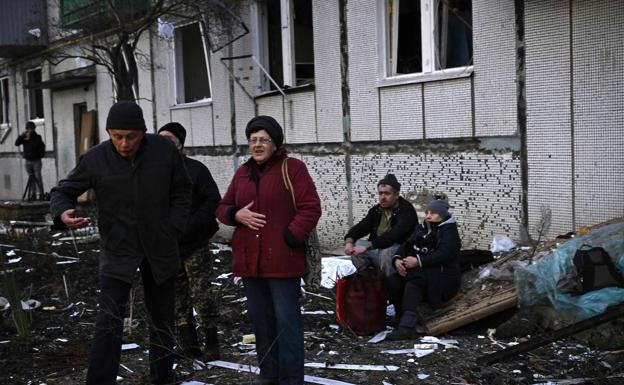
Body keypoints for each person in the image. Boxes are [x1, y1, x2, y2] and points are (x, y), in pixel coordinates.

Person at [50, 102, 191, 384]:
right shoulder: (95, 158)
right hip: (118, 249)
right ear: (108, 133)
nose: (124, 143)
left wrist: (173, 227)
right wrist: (61, 211)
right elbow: (63, 190)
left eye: (130, 136)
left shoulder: (164, 152)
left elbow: (183, 192)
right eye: (116, 136)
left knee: (162, 319)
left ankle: (162, 378)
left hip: (160, 249)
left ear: (143, 132)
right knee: (108, 321)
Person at [216, 115, 321, 385]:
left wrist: (289, 236)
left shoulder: (292, 168)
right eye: (253, 140)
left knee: (287, 325)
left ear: (275, 144)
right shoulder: (243, 172)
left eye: (263, 140)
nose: (257, 145)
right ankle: (268, 375)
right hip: (250, 262)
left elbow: (310, 208)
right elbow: (222, 207)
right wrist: (236, 214)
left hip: (282, 261)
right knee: (261, 325)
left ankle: (291, 379)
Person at [157, 122, 222, 361]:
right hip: (169, 247)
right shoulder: (153, 172)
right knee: (177, 297)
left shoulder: (196, 170)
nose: (164, 144)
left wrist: (191, 225)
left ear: (180, 144)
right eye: (160, 138)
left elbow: (212, 200)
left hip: (194, 244)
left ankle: (212, 344)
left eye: (170, 140)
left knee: (201, 293)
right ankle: (189, 344)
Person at [385, 199, 461, 341]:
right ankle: (401, 317)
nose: (428, 216)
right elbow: (406, 245)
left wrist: (418, 261)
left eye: (433, 213)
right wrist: (397, 259)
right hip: (424, 274)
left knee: (415, 280)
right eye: (427, 212)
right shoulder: (421, 229)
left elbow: (445, 253)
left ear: (442, 215)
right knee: (394, 280)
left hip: (443, 280)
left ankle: (407, 327)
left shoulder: (449, 232)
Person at [344, 174, 418, 276]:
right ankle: (369, 279)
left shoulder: (406, 211)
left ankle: (389, 283)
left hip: (400, 251)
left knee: (386, 252)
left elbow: (393, 236)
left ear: (396, 195)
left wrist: (367, 246)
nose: (383, 197)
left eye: (387, 193)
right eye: (380, 193)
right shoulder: (377, 210)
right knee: (357, 244)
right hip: (379, 247)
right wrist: (349, 241)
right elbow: (362, 226)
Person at [15, 121, 45, 200]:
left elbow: (36, 146)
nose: (29, 130)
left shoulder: (37, 137)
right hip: (28, 161)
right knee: (31, 178)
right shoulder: (24, 137)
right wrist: (21, 136)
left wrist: (30, 138)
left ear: (34, 129)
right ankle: (33, 195)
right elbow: (16, 143)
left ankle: (41, 194)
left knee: (38, 177)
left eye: (31, 129)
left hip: (36, 161)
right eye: (28, 129)